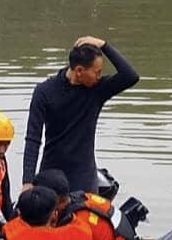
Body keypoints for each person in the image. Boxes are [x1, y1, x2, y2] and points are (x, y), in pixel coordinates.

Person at [22, 36, 139, 195]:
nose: (99, 77)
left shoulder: (97, 90)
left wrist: (104, 45)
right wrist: (27, 181)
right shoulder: (44, 92)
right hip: (51, 176)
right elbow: (33, 139)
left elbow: (130, 76)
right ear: (79, 71)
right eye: (97, 72)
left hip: (84, 178)